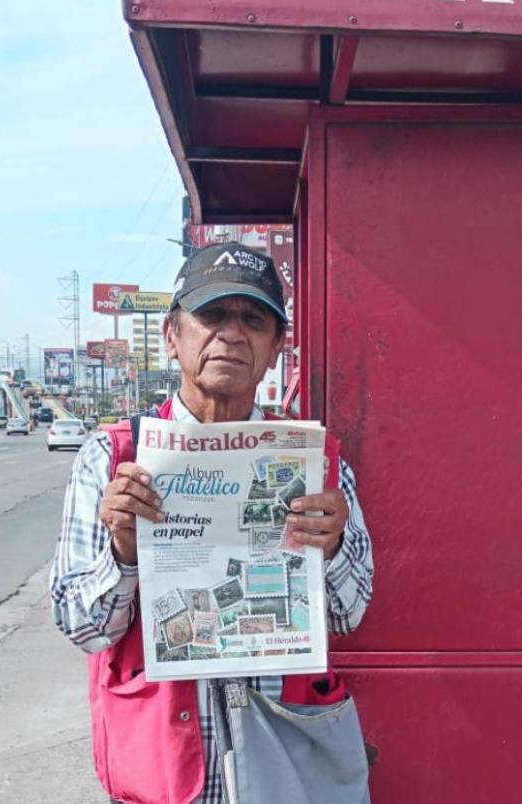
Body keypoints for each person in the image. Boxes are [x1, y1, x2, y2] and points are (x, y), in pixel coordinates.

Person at [50, 242, 374, 804]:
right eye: (212, 315)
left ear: (276, 348)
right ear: (172, 336)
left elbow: (350, 615)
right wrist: (124, 554)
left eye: (253, 320)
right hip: (164, 771)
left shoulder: (313, 464)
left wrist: (332, 546)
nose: (231, 334)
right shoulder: (113, 460)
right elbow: (85, 628)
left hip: (285, 766)